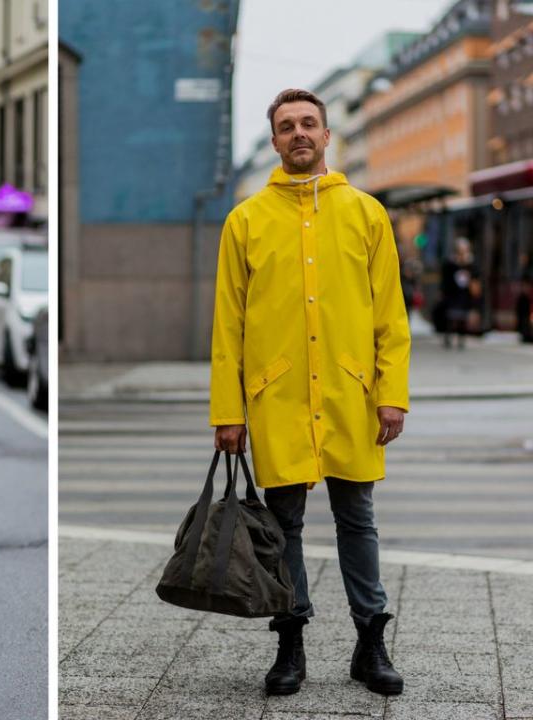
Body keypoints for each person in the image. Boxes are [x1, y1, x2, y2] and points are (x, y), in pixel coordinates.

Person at [209, 89, 410, 697]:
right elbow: (228, 327)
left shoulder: (367, 213)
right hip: (278, 398)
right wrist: (228, 411)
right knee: (283, 525)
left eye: (308, 124)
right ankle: (290, 643)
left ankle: (370, 644)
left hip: (351, 392)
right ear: (273, 141)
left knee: (359, 520)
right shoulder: (245, 220)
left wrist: (391, 393)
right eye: (286, 126)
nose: (299, 133)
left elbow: (390, 317)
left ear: (327, 136)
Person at [440, 237, 479, 349]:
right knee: (450, 317)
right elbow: (445, 278)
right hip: (452, 294)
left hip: (464, 296)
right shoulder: (450, 263)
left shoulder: (471, 264)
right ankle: (448, 338)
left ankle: (461, 340)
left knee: (462, 318)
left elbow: (475, 278)